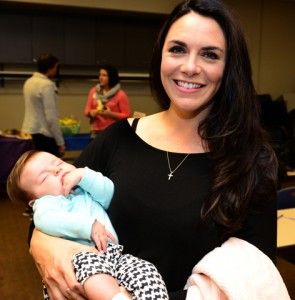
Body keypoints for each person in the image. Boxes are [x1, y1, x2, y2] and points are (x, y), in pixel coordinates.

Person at [29, 1, 279, 299]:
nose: (189, 67)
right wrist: (42, 244)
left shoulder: (251, 159)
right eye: (177, 49)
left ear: (230, 68)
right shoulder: (118, 138)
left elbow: (255, 278)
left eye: (210, 54)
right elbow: (43, 205)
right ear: (160, 55)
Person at [7, 150, 168, 300]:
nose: (57, 171)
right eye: (44, 177)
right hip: (78, 257)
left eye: (58, 163)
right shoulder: (47, 204)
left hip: (114, 255)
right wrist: (88, 225)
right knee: (94, 274)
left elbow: (109, 193)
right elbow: (47, 219)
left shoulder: (84, 189)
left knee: (144, 270)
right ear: (34, 201)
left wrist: (85, 175)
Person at [21, 53, 66, 218]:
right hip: (44, 134)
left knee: (34, 173)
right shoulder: (47, 85)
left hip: (30, 130)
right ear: (51, 67)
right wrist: (60, 142)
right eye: (56, 67)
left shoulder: (29, 82)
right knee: (50, 174)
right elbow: (51, 117)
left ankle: (30, 207)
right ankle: (48, 211)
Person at [84, 64, 131, 139]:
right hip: (96, 132)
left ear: (111, 77)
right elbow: (86, 110)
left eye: (104, 75)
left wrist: (111, 114)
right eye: (100, 75)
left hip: (113, 132)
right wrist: (90, 113)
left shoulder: (120, 94)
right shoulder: (93, 91)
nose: (100, 78)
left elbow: (127, 116)